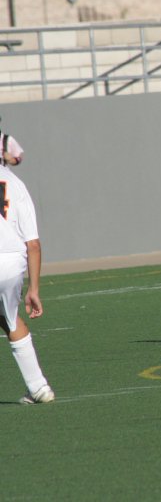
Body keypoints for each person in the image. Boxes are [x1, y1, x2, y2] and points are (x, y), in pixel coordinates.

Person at [0, 162, 54, 404]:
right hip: (12, 259)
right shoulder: (17, 183)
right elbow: (33, 244)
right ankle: (38, 387)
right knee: (8, 318)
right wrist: (34, 289)